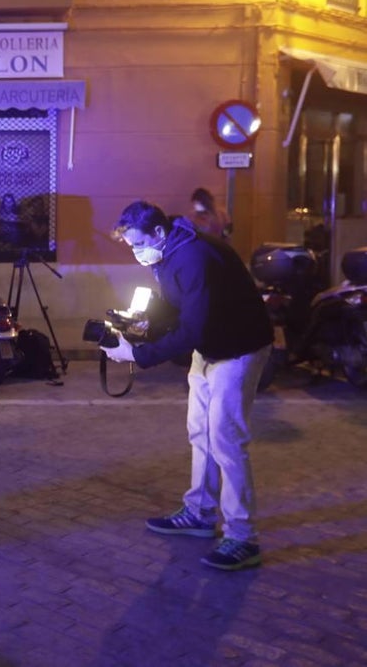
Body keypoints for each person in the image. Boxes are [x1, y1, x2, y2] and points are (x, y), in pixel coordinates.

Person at [101, 200, 272, 571]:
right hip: (211, 348)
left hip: (237, 350)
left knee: (226, 440)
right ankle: (199, 513)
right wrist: (141, 326)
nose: (135, 253)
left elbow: (192, 328)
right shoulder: (170, 251)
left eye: (136, 244)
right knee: (200, 433)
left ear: (158, 233)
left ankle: (243, 537)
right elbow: (181, 311)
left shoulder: (194, 258)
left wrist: (138, 355)